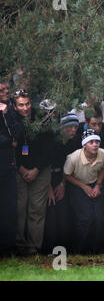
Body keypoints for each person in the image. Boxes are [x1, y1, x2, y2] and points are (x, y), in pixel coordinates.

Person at [73, 87, 104, 253]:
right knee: (86, 207)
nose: (96, 96)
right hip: (83, 165)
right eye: (92, 91)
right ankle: (84, 246)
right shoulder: (75, 112)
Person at [14, 90, 54, 255]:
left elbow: (49, 147)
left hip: (41, 169)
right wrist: (21, 169)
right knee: (19, 207)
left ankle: (33, 247)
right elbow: (11, 148)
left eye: (27, 104)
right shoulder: (11, 121)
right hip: (18, 169)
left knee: (37, 208)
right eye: (21, 105)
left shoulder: (42, 119)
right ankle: (18, 245)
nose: (25, 108)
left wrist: (36, 169)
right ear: (15, 107)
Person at [63, 129, 104, 254]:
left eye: (97, 141)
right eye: (91, 142)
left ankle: (96, 250)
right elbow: (67, 175)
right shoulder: (73, 158)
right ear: (84, 145)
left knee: (99, 217)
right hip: (77, 184)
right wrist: (83, 186)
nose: (95, 144)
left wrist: (98, 185)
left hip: (95, 182)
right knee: (85, 217)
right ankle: (79, 250)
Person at [42, 113, 80, 254]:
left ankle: (64, 249)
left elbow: (69, 166)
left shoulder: (74, 143)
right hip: (46, 177)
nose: (73, 130)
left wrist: (62, 184)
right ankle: (49, 249)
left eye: (75, 127)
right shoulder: (52, 142)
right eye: (69, 127)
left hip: (63, 177)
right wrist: (49, 188)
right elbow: (45, 164)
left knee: (64, 213)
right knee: (51, 212)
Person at [0, 77, 21, 257]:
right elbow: (9, 139)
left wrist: (6, 115)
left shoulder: (11, 110)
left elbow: (18, 133)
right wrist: (9, 142)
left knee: (10, 209)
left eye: (7, 89)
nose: (6, 92)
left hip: (8, 167)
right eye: (2, 90)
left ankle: (9, 249)